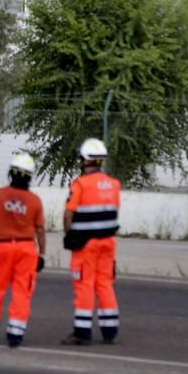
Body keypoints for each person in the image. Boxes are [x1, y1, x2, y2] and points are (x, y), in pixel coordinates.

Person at [0, 151, 46, 348]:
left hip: (2, 247)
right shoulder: (34, 200)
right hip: (26, 249)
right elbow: (40, 230)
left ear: (11, 173)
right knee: (22, 292)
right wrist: (42, 254)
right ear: (30, 176)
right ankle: (15, 334)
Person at [62, 138, 121, 346]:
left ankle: (82, 332)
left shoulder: (80, 184)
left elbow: (68, 214)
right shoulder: (114, 185)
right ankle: (110, 331)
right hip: (108, 243)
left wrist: (69, 235)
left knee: (84, 285)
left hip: (85, 245)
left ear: (87, 159)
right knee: (104, 284)